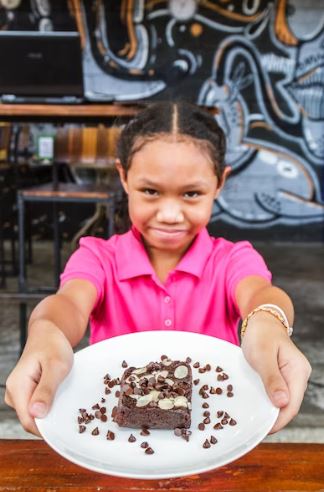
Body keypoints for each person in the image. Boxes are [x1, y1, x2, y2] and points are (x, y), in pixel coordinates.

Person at [5, 101, 311, 436]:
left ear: (219, 184)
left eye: (191, 194)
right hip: (115, 443)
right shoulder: (98, 257)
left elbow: (260, 293)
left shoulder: (232, 259)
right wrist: (46, 330)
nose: (169, 213)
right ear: (123, 177)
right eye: (150, 191)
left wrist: (268, 321)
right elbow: (69, 303)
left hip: (212, 437)